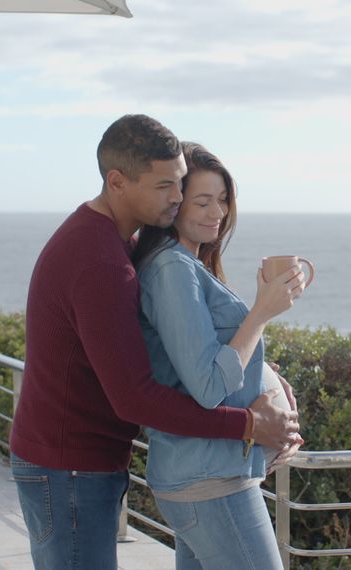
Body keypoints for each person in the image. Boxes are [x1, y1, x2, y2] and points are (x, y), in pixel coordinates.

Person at [8, 115, 300, 570]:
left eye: (181, 183)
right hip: (67, 466)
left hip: (83, 460)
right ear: (117, 181)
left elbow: (160, 351)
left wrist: (259, 378)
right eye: (166, 186)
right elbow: (135, 397)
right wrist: (247, 424)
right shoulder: (101, 260)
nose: (178, 198)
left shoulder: (118, 242)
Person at [131, 141, 305, 570]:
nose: (217, 213)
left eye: (223, 200)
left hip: (208, 476)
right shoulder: (172, 269)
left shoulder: (188, 264)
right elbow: (208, 385)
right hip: (210, 481)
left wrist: (261, 376)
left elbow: (196, 361)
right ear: (174, 203)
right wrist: (262, 312)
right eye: (203, 201)